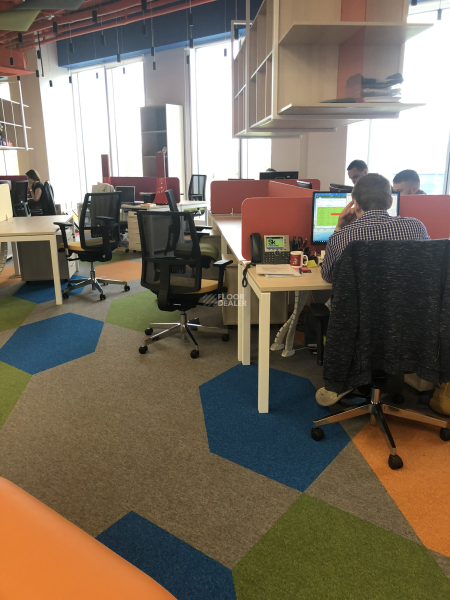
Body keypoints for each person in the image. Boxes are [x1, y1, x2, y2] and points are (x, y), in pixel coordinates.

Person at [317, 173, 430, 406]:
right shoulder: (416, 228)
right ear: (390, 201)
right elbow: (428, 269)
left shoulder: (343, 237)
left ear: (355, 203)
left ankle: (347, 377)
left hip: (360, 324)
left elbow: (327, 276)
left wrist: (338, 228)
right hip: (406, 323)